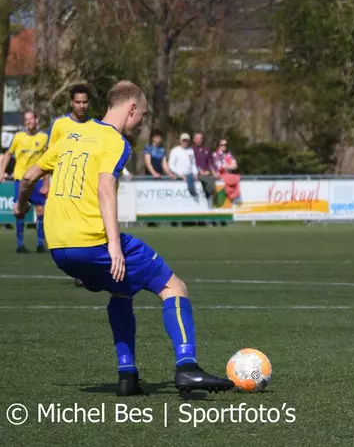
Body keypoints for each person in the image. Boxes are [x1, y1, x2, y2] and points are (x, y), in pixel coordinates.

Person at [14, 81, 234, 396]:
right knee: (173, 286)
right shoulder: (116, 141)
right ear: (131, 108)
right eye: (141, 114)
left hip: (59, 248)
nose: (142, 121)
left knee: (121, 291)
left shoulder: (70, 137)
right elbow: (106, 188)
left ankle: (127, 375)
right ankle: (188, 368)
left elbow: (27, 177)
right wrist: (114, 245)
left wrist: (21, 208)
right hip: (92, 242)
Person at [48, 84, 92, 287]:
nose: (81, 106)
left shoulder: (95, 126)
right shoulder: (60, 125)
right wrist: (45, 183)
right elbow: (49, 158)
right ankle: (79, 270)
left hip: (85, 188)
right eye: (78, 102)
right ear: (71, 102)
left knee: (84, 230)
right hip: (62, 188)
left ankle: (84, 271)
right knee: (67, 231)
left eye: (85, 102)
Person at [0, 111, 49, 253]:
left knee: (40, 210)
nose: (28, 122)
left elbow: (47, 162)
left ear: (36, 119)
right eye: (26, 120)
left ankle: (40, 244)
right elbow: (8, 154)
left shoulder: (44, 137)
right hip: (21, 179)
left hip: (37, 179)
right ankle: (20, 245)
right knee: (19, 210)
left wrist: (46, 184)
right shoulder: (18, 137)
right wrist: (2, 172)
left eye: (31, 119)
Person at [168, 133, 199, 198]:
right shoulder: (175, 150)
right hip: (179, 177)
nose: (185, 142)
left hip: (190, 176)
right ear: (180, 140)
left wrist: (195, 174)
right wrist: (180, 174)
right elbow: (171, 165)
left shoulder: (191, 150)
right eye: (183, 140)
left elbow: (193, 164)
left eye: (187, 140)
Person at [193, 132, 217, 205]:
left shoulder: (207, 149)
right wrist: (199, 171)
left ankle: (209, 198)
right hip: (196, 174)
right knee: (209, 180)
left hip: (207, 173)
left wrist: (214, 172)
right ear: (194, 140)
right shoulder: (191, 150)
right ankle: (208, 196)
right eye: (197, 138)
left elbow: (211, 163)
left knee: (212, 178)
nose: (199, 140)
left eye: (200, 138)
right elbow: (191, 164)